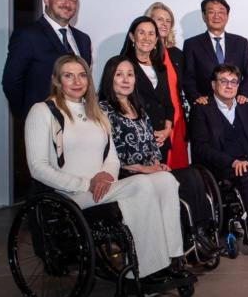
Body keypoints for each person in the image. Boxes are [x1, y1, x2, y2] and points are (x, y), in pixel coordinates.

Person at [24, 55, 193, 283]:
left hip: (104, 187)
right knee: (141, 184)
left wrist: (106, 175)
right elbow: (38, 168)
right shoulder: (43, 111)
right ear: (56, 80)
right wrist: (87, 183)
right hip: (71, 195)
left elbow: (111, 157)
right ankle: (143, 270)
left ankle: (173, 258)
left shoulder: (95, 112)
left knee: (165, 180)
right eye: (68, 75)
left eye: (82, 75)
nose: (77, 81)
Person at [98, 55, 219, 261]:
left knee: (193, 174)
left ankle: (199, 234)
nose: (126, 80)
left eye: (130, 74)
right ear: (110, 78)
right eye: (119, 75)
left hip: (151, 171)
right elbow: (107, 153)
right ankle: (192, 239)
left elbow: (151, 144)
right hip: (126, 175)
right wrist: (143, 169)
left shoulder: (139, 108)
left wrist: (157, 163)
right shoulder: (103, 110)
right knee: (186, 179)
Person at [190, 64, 248, 248]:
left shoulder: (245, 107)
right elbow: (201, 148)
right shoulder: (201, 109)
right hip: (222, 166)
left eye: (234, 81)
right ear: (213, 84)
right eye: (223, 81)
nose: (229, 85)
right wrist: (232, 162)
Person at [3, 0, 92, 120]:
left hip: (77, 123)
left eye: (73, 0)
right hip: (43, 123)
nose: (67, 4)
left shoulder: (83, 39)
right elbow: (11, 82)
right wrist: (28, 116)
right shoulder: (28, 35)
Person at [183, 0, 248, 106]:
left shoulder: (241, 43)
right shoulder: (192, 44)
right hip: (206, 107)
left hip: (236, 105)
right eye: (211, 12)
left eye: (221, 12)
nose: (216, 16)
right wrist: (196, 97)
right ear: (204, 16)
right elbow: (188, 78)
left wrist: (244, 94)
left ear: (227, 16)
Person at [119, 16, 176, 161]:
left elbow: (168, 104)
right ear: (132, 36)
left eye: (151, 33)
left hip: (160, 140)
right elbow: (115, 104)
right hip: (134, 140)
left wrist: (168, 129)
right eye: (141, 33)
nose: (147, 38)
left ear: (156, 39)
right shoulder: (122, 65)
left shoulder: (161, 68)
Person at [145, 2, 189, 169]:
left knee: (178, 168)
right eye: (159, 19)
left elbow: (183, 87)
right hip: (153, 120)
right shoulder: (141, 52)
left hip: (178, 119)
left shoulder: (176, 54)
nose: (164, 23)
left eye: (168, 20)